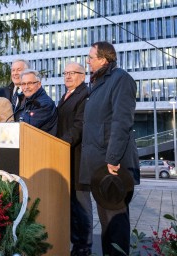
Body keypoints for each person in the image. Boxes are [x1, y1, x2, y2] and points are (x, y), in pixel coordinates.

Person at [80, 41, 140, 255]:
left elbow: (121, 122)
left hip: (112, 166)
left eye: (91, 57)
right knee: (106, 222)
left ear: (104, 59)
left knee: (115, 223)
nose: (88, 61)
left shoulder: (121, 79)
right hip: (99, 165)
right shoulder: (98, 82)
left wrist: (113, 159)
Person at [56, 62, 92, 256]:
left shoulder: (85, 94)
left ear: (83, 76)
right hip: (65, 156)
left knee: (81, 205)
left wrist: (60, 145)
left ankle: (84, 247)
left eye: (73, 73)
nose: (68, 76)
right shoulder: (66, 95)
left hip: (79, 158)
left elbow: (79, 126)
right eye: (66, 73)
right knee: (71, 205)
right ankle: (75, 243)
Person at [17, 69, 57, 135]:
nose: (26, 87)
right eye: (23, 84)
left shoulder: (45, 104)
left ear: (39, 84)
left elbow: (27, 127)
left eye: (30, 83)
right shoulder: (26, 100)